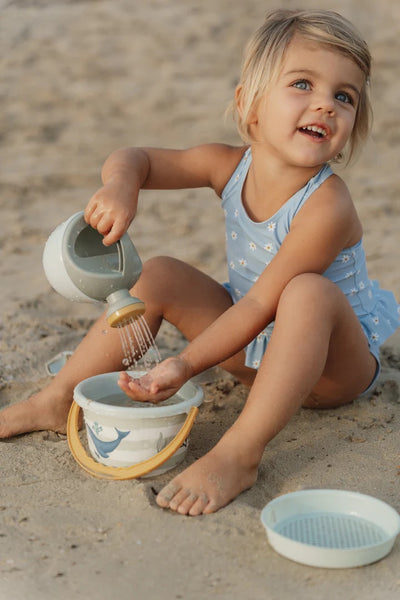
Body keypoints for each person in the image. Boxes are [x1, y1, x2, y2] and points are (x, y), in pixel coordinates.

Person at [1, 9, 399, 516]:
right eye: (303, 83)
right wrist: (122, 185)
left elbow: (260, 302)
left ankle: (239, 452)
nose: (325, 104)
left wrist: (185, 363)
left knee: (307, 291)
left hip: (330, 369)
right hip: (253, 352)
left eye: (345, 96)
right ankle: (58, 399)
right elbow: (135, 157)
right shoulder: (227, 165)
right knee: (161, 271)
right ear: (249, 105)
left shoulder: (328, 205)